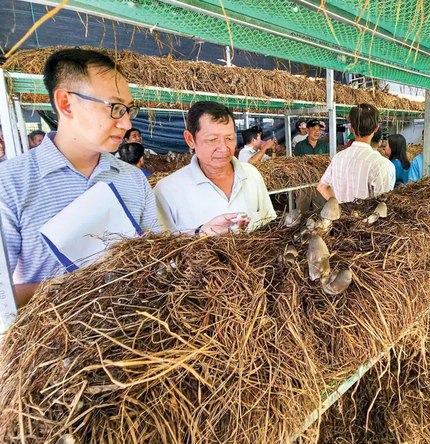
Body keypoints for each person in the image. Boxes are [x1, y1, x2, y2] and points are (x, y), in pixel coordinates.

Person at [0, 48, 158, 308]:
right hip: (52, 341)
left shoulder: (134, 180)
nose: (126, 124)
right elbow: (3, 298)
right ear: (66, 103)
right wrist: (87, 281)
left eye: (129, 110)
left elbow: (157, 261)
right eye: (116, 108)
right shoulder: (10, 183)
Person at [154, 101, 276, 234]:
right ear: (190, 139)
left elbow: (268, 225)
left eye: (229, 138)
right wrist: (199, 233)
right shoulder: (166, 191)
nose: (224, 148)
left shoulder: (251, 175)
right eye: (212, 140)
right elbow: (157, 247)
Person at [317, 103, 394, 203]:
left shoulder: (338, 158)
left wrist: (339, 207)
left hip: (340, 217)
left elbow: (322, 187)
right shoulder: (380, 164)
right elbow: (382, 204)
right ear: (376, 128)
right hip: (367, 218)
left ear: (351, 129)